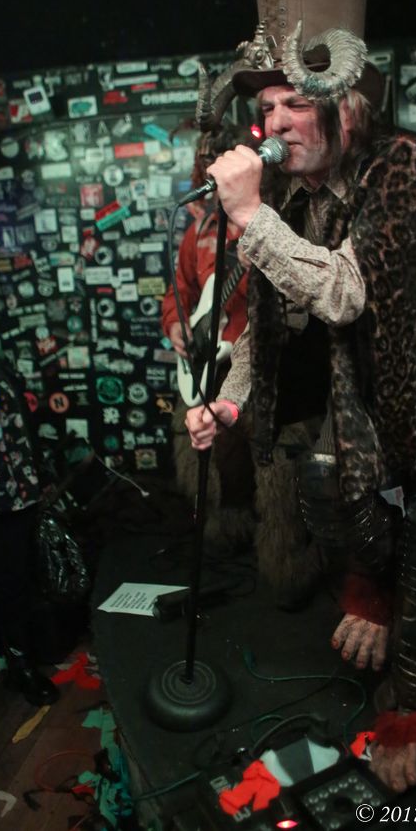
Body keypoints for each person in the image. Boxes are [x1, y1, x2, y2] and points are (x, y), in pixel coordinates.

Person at [185, 0, 416, 794]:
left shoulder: (403, 167)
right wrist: (231, 405)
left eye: (295, 103)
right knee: (326, 483)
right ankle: (371, 594)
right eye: (266, 107)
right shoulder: (296, 199)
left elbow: (344, 292)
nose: (272, 124)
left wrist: (252, 218)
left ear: (350, 107)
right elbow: (269, 326)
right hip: (363, 411)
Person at [162, 125, 256, 551]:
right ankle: (216, 530)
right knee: (199, 453)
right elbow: (179, 290)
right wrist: (176, 324)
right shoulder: (200, 231)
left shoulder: (268, 225)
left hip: (253, 365)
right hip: (204, 363)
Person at [0, 296, 59, 719]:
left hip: (11, 491)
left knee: (13, 584)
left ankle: (21, 667)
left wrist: (36, 475)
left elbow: (19, 421)